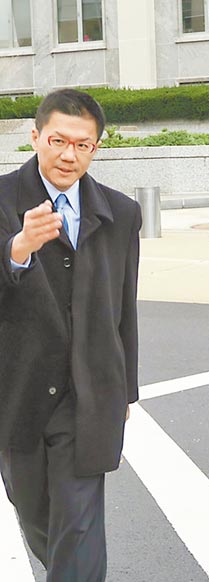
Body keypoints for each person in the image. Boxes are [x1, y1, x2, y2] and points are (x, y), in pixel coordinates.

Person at [0, 89, 141, 582]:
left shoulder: (121, 213)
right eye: (58, 141)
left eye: (83, 145)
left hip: (89, 392)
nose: (68, 155)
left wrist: (126, 390)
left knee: (78, 526)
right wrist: (17, 250)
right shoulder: (2, 199)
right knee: (37, 515)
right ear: (35, 137)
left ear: (96, 147)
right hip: (17, 390)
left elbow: (124, 307)